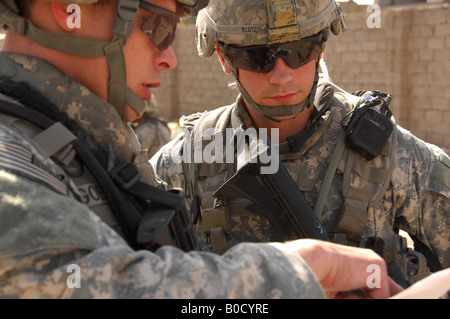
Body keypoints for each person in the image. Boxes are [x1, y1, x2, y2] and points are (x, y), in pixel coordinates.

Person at [0, 0, 403, 299]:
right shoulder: (12, 155)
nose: (170, 58)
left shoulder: (82, 147)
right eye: (155, 26)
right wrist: (304, 269)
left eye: (301, 51)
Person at [151, 0, 450, 288]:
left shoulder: (386, 153)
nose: (281, 76)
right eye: (257, 56)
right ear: (223, 57)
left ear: (320, 48)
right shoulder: (188, 164)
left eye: (299, 51)